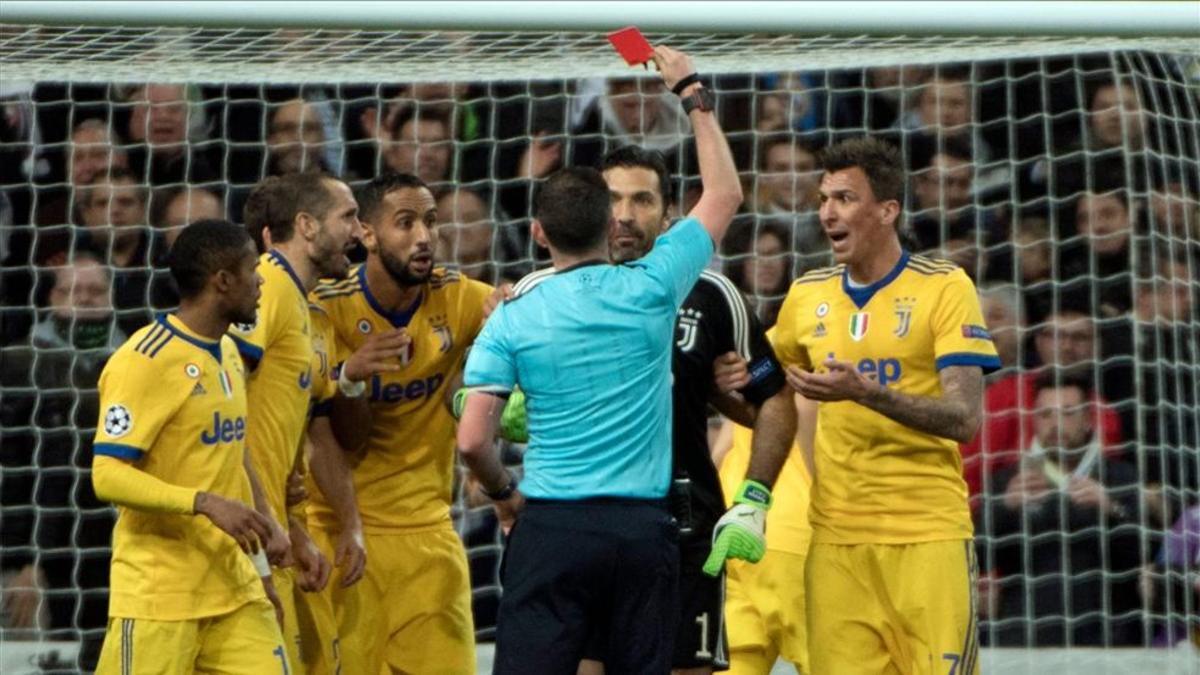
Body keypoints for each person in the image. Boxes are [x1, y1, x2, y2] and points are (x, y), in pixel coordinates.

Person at [457, 45, 744, 673]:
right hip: (643, 531)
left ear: (539, 233)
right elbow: (724, 192)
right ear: (609, 223)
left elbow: (473, 437)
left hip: (553, 528)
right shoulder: (654, 286)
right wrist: (691, 93)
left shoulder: (514, 310)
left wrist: (505, 496)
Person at [705, 136, 1001, 675]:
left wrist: (868, 393)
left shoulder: (944, 287)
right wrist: (723, 385)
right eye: (824, 199)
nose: (827, 213)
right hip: (835, 543)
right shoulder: (807, 295)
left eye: (844, 198)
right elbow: (770, 403)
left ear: (887, 210)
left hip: (926, 537)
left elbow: (965, 420)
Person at [581, 145, 789, 675]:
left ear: (669, 213)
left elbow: (773, 398)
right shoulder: (559, 289)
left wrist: (755, 496)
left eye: (642, 200)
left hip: (686, 524)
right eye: (612, 200)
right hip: (588, 522)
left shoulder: (713, 295)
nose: (624, 215)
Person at [307, 171, 497, 674]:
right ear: (366, 234)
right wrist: (349, 378)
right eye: (405, 223)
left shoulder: (458, 299)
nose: (424, 237)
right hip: (340, 536)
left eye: (431, 222)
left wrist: (515, 308)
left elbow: (529, 317)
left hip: (428, 535)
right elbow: (340, 438)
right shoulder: (325, 310)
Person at [89, 219, 289, 674]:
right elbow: (107, 475)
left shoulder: (230, 352)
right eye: (251, 270)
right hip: (160, 597)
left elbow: (232, 454)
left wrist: (263, 555)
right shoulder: (145, 361)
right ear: (222, 281)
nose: (261, 282)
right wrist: (201, 503)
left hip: (234, 589)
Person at [228, 172, 362, 673]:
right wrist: (260, 518)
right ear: (306, 226)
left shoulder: (298, 301)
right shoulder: (268, 285)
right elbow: (223, 400)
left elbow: (282, 431)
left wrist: (296, 526)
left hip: (270, 530)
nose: (357, 229)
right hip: (244, 534)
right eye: (347, 215)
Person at [976, 370, 1145, 646]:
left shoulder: (1120, 477)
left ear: (1089, 419)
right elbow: (974, 560)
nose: (1055, 424)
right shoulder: (1008, 481)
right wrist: (1003, 509)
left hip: (1108, 638)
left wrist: (1111, 509)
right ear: (1033, 420)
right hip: (1023, 638)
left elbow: (1142, 559)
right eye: (1045, 415)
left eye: (1067, 414)